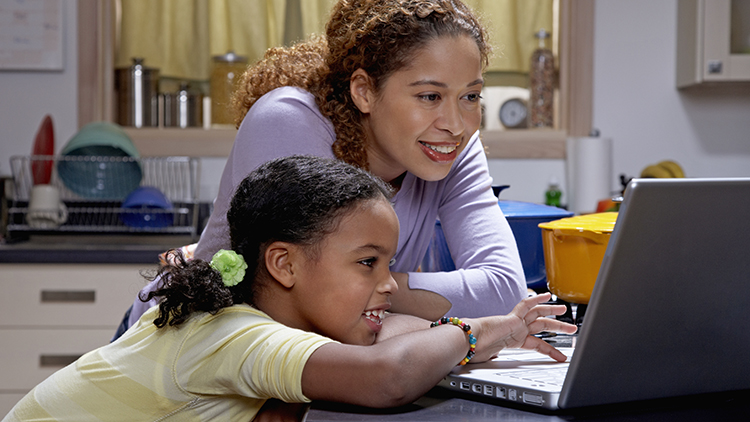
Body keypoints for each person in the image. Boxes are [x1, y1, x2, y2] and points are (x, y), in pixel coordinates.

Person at [3, 156, 576, 422]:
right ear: (283, 264)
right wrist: (477, 331)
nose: (388, 285)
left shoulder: (231, 309)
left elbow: (387, 336)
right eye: (368, 263)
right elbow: (388, 378)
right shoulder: (236, 336)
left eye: (389, 264)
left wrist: (502, 334)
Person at [117, 0, 527, 340]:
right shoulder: (288, 122)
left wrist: (368, 290)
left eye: (471, 95)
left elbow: (503, 288)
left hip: (289, 363)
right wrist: (465, 325)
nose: (456, 123)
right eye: (429, 95)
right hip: (177, 343)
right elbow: (298, 308)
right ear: (364, 91)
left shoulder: (449, 144)